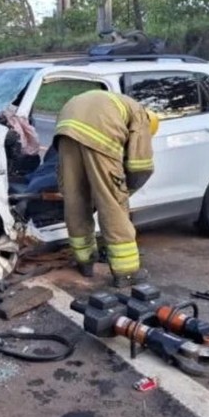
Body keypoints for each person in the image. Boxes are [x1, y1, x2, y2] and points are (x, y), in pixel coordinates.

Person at [55, 89, 159, 286]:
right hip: (99, 130)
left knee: (76, 198)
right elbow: (140, 166)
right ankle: (126, 272)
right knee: (112, 204)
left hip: (66, 127)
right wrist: (124, 190)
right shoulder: (142, 116)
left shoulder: (119, 103)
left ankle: (84, 261)